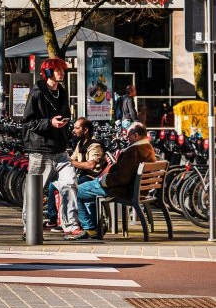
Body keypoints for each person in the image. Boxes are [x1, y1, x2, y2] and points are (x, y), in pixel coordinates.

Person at [70, 122, 156, 240]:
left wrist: (103, 179)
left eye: (128, 136)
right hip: (135, 189)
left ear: (136, 135)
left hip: (121, 189)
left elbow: (122, 178)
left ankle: (90, 228)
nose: (127, 139)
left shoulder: (134, 150)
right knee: (86, 190)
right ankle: (95, 226)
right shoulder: (147, 147)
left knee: (74, 191)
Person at [20, 59, 74, 235]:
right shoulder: (37, 93)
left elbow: (65, 115)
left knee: (70, 183)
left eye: (62, 69)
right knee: (34, 190)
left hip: (60, 149)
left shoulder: (62, 92)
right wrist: (49, 123)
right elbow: (28, 122)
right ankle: (29, 227)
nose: (62, 73)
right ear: (48, 72)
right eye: (58, 70)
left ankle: (71, 226)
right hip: (41, 151)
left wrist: (66, 125)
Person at [50, 118, 106, 236]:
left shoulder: (94, 145)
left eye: (77, 128)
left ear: (85, 130)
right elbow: (72, 158)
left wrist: (70, 162)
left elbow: (91, 165)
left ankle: (73, 222)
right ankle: (54, 218)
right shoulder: (81, 144)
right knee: (53, 185)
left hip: (91, 178)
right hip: (82, 176)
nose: (73, 131)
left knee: (69, 188)